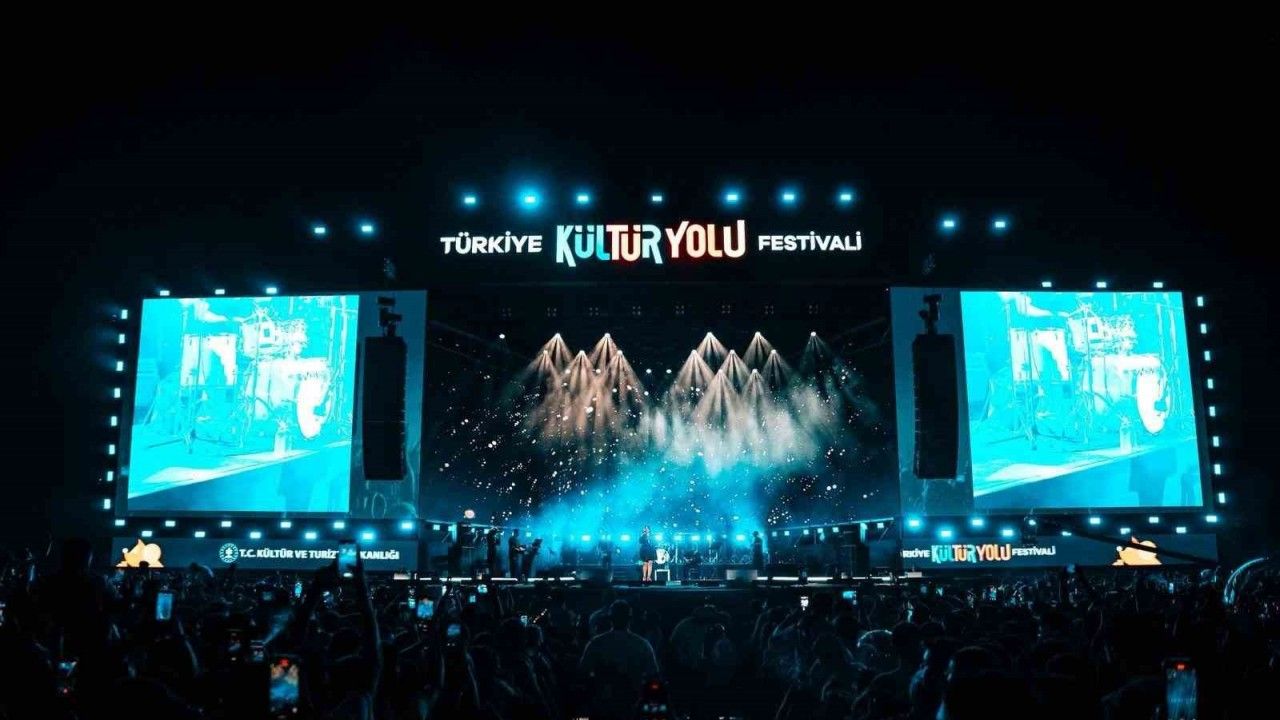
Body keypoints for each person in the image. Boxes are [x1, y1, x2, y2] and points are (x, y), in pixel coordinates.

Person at [579, 600, 660, 720]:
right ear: (630, 619)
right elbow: (653, 675)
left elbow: (583, 671)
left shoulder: (596, 643)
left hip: (603, 702)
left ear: (610, 619)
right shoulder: (642, 645)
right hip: (632, 703)